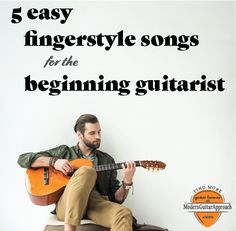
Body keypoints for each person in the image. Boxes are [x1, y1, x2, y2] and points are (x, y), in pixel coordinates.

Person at [18, 114, 136, 231]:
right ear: (80, 135)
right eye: (92, 133)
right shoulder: (65, 152)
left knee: (124, 213)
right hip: (68, 204)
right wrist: (54, 161)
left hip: (95, 204)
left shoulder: (107, 160)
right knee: (86, 170)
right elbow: (23, 159)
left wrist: (127, 182)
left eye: (99, 132)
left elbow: (116, 198)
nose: (98, 136)